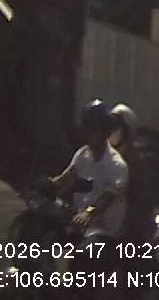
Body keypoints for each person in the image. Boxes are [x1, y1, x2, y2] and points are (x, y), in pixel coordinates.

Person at [52, 100, 129, 239]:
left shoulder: (117, 165)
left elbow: (107, 198)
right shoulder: (82, 154)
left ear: (105, 132)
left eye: (93, 128)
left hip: (103, 230)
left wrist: (89, 213)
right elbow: (66, 178)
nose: (87, 133)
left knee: (86, 249)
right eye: (85, 127)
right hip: (79, 222)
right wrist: (47, 185)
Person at [108, 103, 156, 243]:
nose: (111, 131)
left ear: (126, 132)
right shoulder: (105, 155)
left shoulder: (135, 161)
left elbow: (139, 198)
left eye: (116, 127)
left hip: (132, 225)